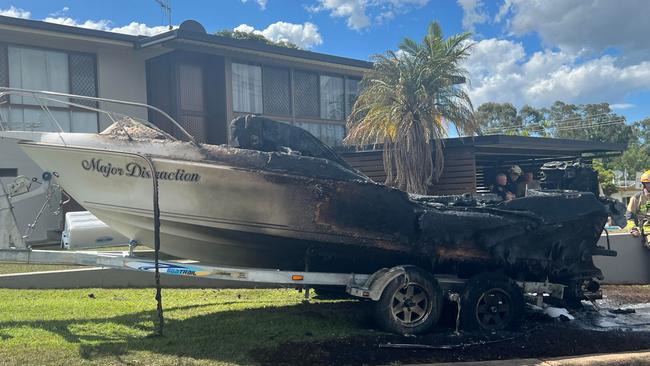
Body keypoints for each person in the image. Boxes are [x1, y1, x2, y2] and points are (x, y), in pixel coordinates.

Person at [626, 170, 650, 248]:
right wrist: (633, 229)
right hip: (647, 229)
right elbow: (630, 216)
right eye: (648, 183)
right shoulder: (637, 198)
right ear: (644, 184)